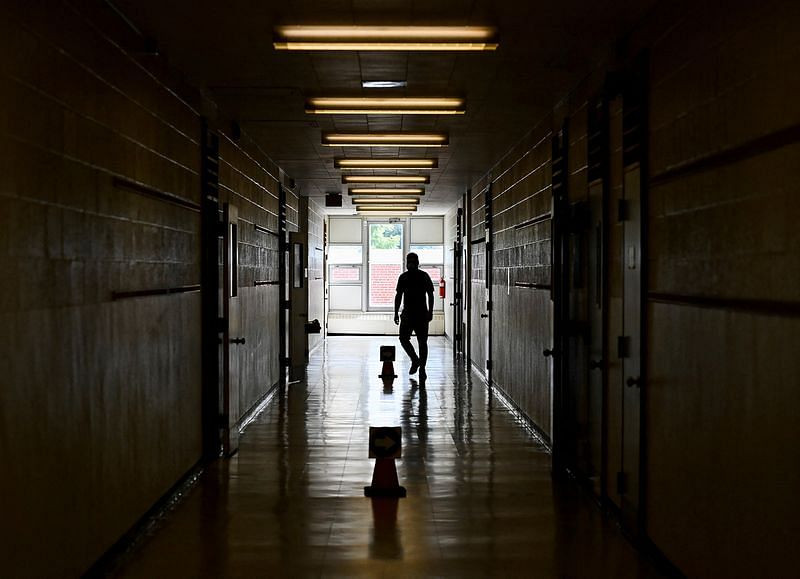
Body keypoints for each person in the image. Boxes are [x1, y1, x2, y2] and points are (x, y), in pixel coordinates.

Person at [394, 252, 434, 379]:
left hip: (421, 314)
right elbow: (398, 295)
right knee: (403, 339)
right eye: (409, 262)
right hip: (408, 314)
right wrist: (395, 312)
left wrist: (430, 311)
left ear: (417, 263)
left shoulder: (423, 276)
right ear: (406, 263)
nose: (410, 264)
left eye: (413, 262)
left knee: (422, 342)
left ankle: (422, 368)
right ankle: (416, 360)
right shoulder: (404, 277)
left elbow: (431, 295)